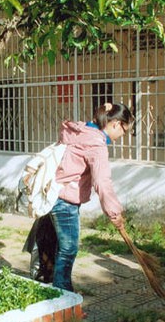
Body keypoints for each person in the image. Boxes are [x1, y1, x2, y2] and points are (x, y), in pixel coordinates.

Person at [50, 103, 131, 292]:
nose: (122, 137)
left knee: (62, 248)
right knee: (68, 250)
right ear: (116, 124)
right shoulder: (96, 143)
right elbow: (102, 181)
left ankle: (55, 289)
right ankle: (63, 296)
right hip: (65, 200)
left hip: (54, 194)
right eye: (124, 131)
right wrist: (114, 213)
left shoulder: (82, 131)